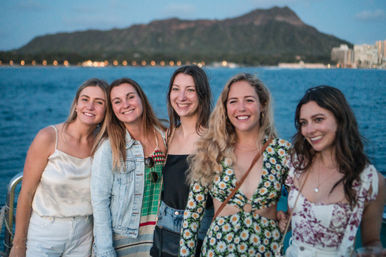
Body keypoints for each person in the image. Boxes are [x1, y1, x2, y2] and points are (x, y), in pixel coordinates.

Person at [179, 73, 291, 257]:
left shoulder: (281, 152)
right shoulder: (212, 151)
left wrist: (287, 217)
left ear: (262, 104)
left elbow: (303, 200)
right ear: (225, 108)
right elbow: (192, 216)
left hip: (266, 251)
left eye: (249, 100)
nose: (241, 108)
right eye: (233, 101)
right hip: (218, 251)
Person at [9, 78, 109, 257]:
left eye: (99, 102)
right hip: (45, 232)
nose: (90, 106)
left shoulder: (104, 145)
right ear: (76, 104)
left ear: (106, 110)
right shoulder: (48, 137)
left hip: (85, 234)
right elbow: (26, 193)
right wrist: (18, 245)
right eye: (85, 99)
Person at [281, 85, 385, 256]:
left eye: (318, 119)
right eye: (303, 123)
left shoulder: (369, 181)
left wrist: (375, 252)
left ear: (340, 119)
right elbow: (298, 216)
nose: (310, 130)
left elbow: (372, 242)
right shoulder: (297, 166)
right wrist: (286, 219)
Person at [91, 78, 167, 257]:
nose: (125, 105)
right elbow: (100, 202)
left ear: (141, 99)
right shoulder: (109, 148)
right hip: (123, 241)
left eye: (130, 97)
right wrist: (105, 251)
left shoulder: (165, 137)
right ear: (113, 109)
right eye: (117, 101)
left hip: (160, 238)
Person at [150, 65, 214, 257]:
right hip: (163, 231)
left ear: (202, 95)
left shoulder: (214, 139)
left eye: (190, 90)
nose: (182, 97)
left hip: (201, 232)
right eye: (176, 89)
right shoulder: (167, 136)